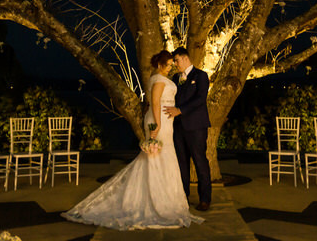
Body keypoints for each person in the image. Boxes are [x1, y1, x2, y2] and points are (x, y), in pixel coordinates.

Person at [61, 50, 203, 230]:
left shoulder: (159, 78)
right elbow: (156, 103)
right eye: (168, 65)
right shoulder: (158, 80)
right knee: (157, 157)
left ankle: (164, 197)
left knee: (161, 157)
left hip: (166, 121)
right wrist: (157, 125)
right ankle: (157, 201)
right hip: (159, 121)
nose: (170, 68)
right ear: (160, 65)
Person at [163, 46, 213, 211]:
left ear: (185, 58)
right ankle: (183, 196)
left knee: (200, 161)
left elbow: (200, 99)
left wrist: (180, 110)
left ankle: (205, 199)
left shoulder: (201, 76)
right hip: (178, 128)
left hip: (196, 127)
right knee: (181, 163)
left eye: (176, 60)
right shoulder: (176, 79)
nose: (175, 64)